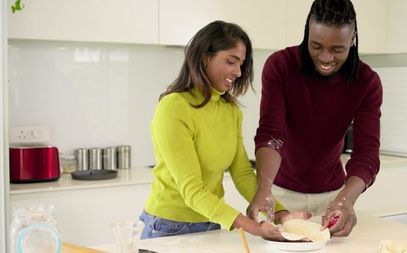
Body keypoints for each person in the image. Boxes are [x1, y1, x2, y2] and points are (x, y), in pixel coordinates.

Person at [140, 20, 308, 241]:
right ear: (204, 57)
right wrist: (253, 227)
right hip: (168, 228)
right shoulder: (174, 107)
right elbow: (192, 192)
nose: (238, 71)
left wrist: (282, 215)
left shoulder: (230, 111)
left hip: (210, 223)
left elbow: (243, 174)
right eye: (231, 61)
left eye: (241, 64)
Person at [247, 0, 383, 237]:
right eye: (316, 45)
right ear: (307, 33)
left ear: (352, 39)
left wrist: (345, 201)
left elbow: (367, 154)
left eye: (337, 49)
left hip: (333, 199)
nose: (326, 57)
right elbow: (271, 133)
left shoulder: (367, 82)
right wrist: (264, 188)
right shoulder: (281, 66)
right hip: (279, 196)